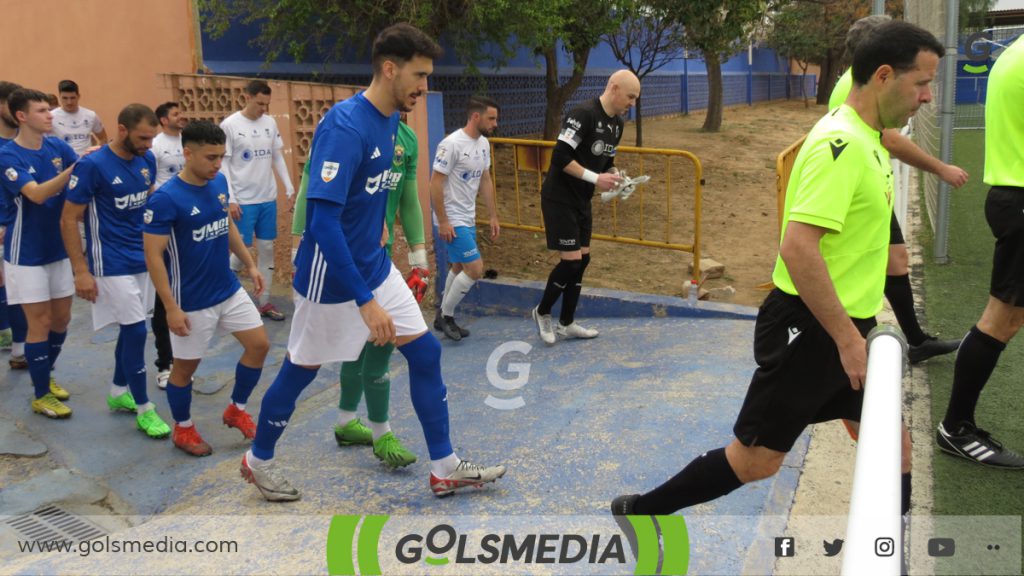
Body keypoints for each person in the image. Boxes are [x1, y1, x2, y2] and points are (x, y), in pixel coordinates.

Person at [612, 21, 943, 536]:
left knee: (891, 441)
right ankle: (641, 511)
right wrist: (847, 338)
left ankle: (889, 549)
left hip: (845, 326)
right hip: (811, 331)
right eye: (922, 83)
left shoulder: (870, 137)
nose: (927, 96)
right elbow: (798, 246)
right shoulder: (842, 144)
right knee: (756, 462)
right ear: (883, 76)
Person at [243, 23, 506, 502]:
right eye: (419, 75)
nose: (424, 87)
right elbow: (322, 224)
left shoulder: (391, 123)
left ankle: (444, 467)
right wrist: (365, 303)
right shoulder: (345, 126)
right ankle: (258, 461)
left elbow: (370, 196)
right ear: (390, 68)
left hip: (374, 264)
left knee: (425, 354)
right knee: (300, 371)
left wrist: (392, 246)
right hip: (332, 276)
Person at [291, 115, 427, 468]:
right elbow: (311, 186)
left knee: (369, 344)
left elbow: (407, 197)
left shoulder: (407, 139)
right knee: (362, 346)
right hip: (340, 255)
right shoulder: (347, 130)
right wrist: (297, 241)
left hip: (377, 256)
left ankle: (350, 423)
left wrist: (418, 254)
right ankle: (377, 432)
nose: (421, 87)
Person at [829, 15, 967, 365]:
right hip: (861, 193)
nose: (925, 96)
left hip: (875, 186)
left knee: (895, 260)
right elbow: (888, 139)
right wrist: (940, 168)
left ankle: (910, 339)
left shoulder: (868, 85)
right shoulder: (857, 92)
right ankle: (863, 333)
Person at [143, 120, 271, 457]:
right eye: (211, 157)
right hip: (192, 301)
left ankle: (236, 409)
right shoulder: (166, 199)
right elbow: (153, 256)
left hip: (227, 289)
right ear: (187, 153)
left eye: (221, 157)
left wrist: (250, 263)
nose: (217, 164)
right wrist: (170, 307)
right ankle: (183, 429)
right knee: (185, 370)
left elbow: (225, 222)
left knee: (259, 346)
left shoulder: (220, 182)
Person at [935, 36, 1024, 468]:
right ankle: (956, 427)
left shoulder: (1015, 52)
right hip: (1021, 199)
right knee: (1001, 320)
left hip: (1014, 195)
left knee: (1008, 318)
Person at [60, 103, 172, 438]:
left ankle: (118, 390)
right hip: (109, 262)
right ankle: (144, 408)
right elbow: (68, 218)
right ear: (121, 129)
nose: (149, 145)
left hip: (142, 258)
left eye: (152, 138)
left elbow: (147, 199)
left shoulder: (146, 160)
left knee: (131, 329)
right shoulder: (92, 165)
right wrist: (80, 270)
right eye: (142, 137)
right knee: (137, 331)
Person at [532, 70, 639, 345]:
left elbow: (606, 164)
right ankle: (542, 311)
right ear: (614, 88)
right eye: (630, 96)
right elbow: (560, 156)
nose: (632, 103)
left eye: (635, 98)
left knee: (583, 260)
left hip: (581, 199)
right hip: (559, 197)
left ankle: (567, 323)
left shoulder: (617, 123)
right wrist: (596, 179)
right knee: (571, 263)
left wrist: (618, 179)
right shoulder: (582, 113)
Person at [0, 88, 79, 418]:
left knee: (62, 319)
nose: (51, 115)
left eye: (50, 110)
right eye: (43, 110)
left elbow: (82, 176)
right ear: (22, 116)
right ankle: (41, 393)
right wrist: (76, 171)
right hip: (26, 251)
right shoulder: (8, 155)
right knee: (41, 322)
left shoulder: (56, 146)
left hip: (58, 246)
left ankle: (45, 373)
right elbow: (35, 194)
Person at [219, 80, 294, 321]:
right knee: (242, 252)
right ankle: (224, 295)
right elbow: (224, 164)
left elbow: (277, 157)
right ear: (247, 97)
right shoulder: (229, 125)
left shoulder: (269, 123)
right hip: (243, 200)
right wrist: (230, 198)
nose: (264, 108)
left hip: (267, 198)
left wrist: (289, 187)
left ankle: (264, 302)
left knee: (267, 249)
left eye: (267, 104)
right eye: (260, 103)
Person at [430, 96, 499, 341]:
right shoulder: (451, 144)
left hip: (468, 217)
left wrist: (492, 215)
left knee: (459, 266)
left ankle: (442, 314)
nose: (495, 124)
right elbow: (435, 183)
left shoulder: (483, 145)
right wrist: (444, 220)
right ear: (475, 116)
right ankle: (446, 317)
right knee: (475, 268)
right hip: (452, 218)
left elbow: (486, 179)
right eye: (491, 118)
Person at [150, 101, 188, 389]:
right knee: (164, 302)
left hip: (189, 228)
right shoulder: (155, 146)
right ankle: (165, 364)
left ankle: (185, 360)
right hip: (165, 227)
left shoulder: (189, 141)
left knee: (187, 298)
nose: (181, 116)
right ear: (163, 120)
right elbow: (148, 185)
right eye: (176, 113)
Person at [0, 80, 29, 366]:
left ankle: (20, 347)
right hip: (5, 227)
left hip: (20, 229)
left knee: (17, 291)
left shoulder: (30, 145)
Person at [50, 80, 108, 156]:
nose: (69, 102)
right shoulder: (50, 117)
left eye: (72, 98)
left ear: (78, 96)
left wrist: (96, 154)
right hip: (63, 163)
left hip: (85, 162)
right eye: (65, 98)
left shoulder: (91, 115)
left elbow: (103, 138)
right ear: (59, 97)